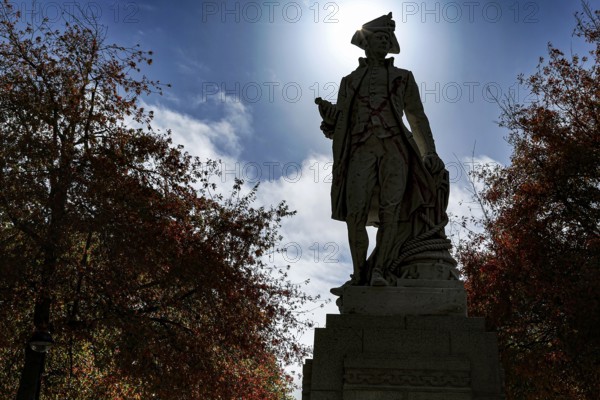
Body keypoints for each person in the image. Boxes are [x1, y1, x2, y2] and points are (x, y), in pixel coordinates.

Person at [316, 13, 447, 295]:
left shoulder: (403, 77)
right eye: (380, 37)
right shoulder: (348, 81)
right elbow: (341, 125)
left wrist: (430, 152)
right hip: (360, 150)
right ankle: (359, 275)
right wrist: (330, 118)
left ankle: (381, 271)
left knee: (392, 212)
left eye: (389, 39)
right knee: (356, 213)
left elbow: (416, 117)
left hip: (395, 149)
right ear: (366, 42)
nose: (385, 42)